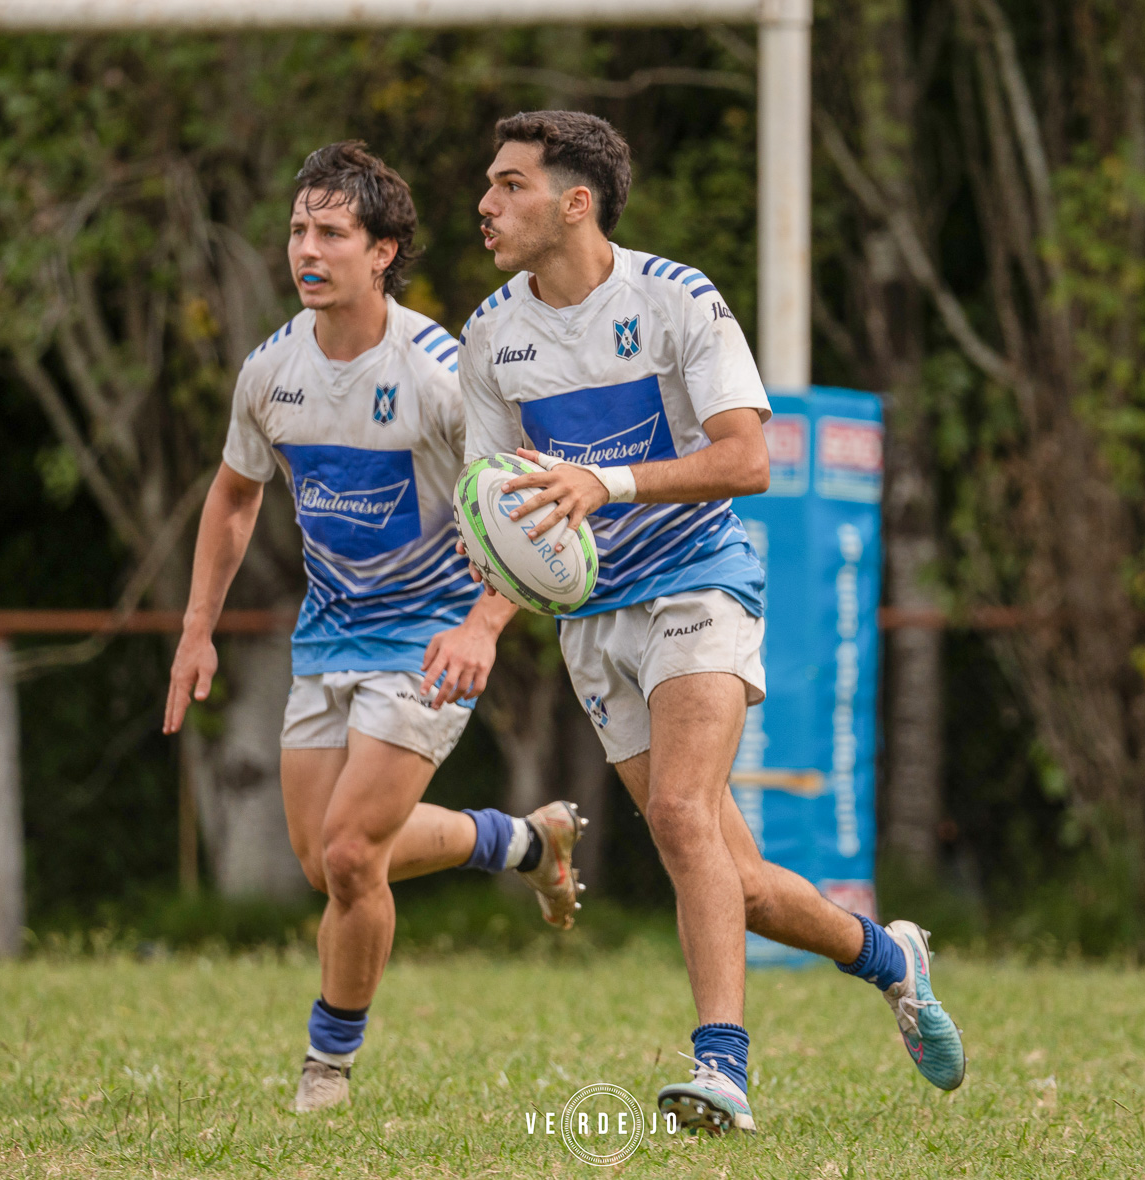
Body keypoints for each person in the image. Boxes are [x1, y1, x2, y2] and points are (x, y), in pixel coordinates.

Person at [457, 110, 965, 1135]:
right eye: (489, 184)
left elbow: (749, 459)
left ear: (575, 202)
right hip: (595, 623)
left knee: (684, 815)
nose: (486, 203)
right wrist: (482, 617)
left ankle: (722, 1070)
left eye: (510, 184)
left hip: (700, 580)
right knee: (735, 877)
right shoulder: (488, 336)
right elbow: (501, 507)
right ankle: (888, 957)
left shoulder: (677, 298)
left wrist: (606, 479)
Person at [163, 142, 585, 1115]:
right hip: (330, 634)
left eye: (332, 233)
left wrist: (485, 623)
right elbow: (233, 497)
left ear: (384, 250)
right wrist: (197, 628)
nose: (307, 249)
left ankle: (328, 1065)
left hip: (431, 633)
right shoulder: (271, 370)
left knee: (355, 854)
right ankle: (522, 842)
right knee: (327, 862)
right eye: (299, 229)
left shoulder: (444, 372)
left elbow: (535, 504)